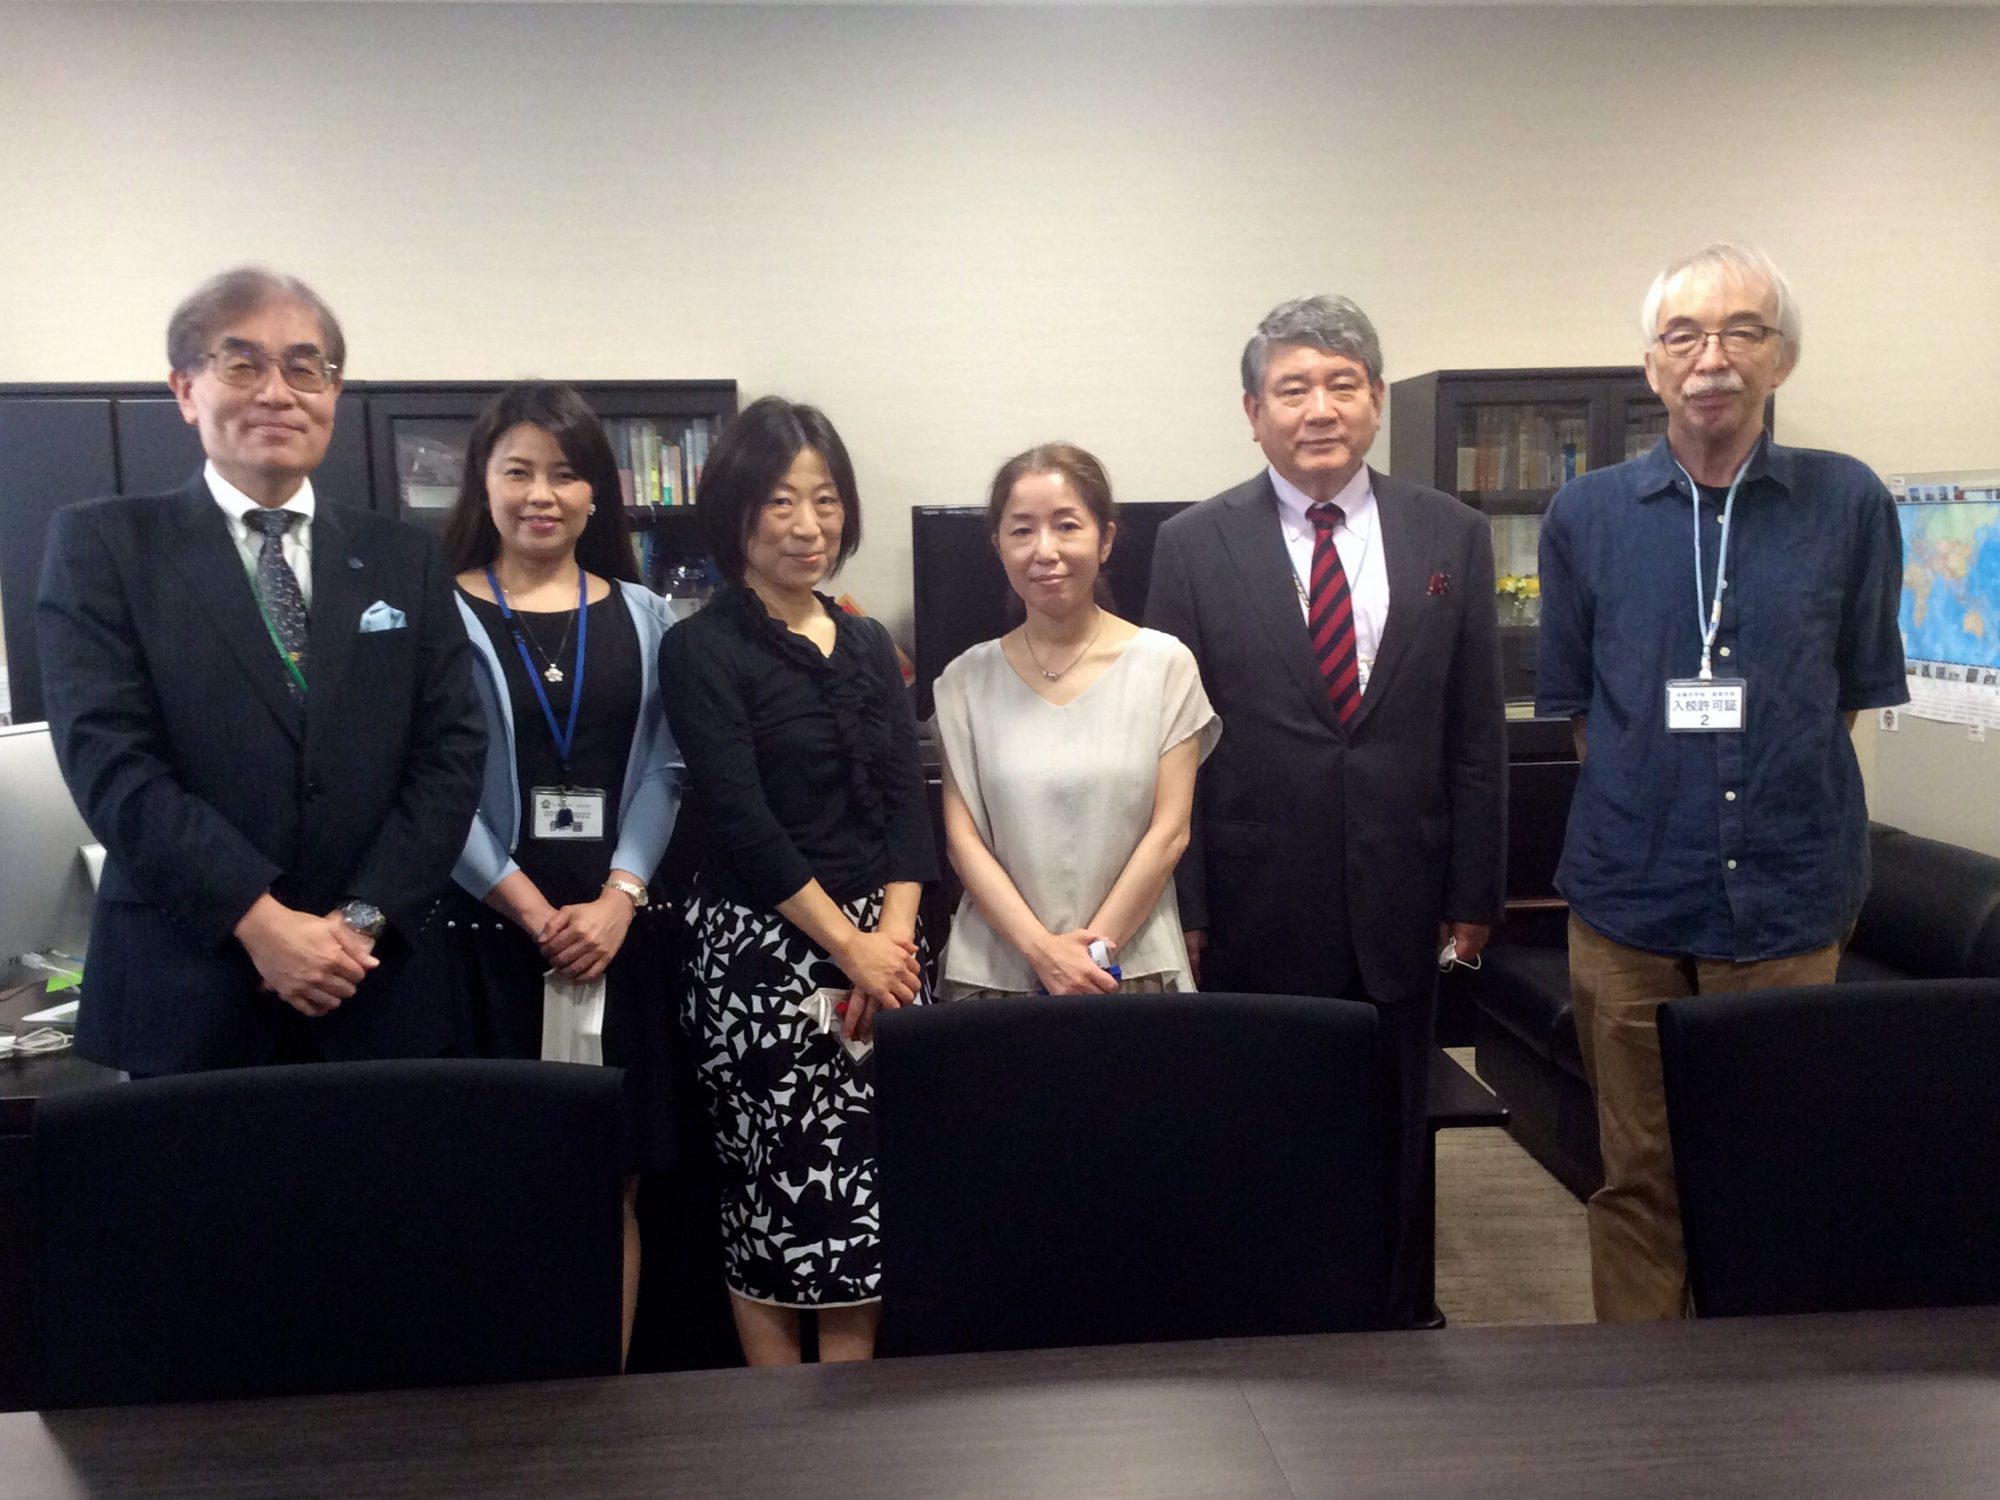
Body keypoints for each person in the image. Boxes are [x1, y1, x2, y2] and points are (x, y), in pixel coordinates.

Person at [1536, 243, 1908, 1321]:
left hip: (1789, 898)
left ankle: (1763, 1392)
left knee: (1773, 1170)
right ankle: (1646, 1389)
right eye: (1683, 336)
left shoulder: (1846, 502)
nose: (1712, 358)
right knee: (1637, 1177)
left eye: (1742, 331)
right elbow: (1582, 711)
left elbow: (1845, 694)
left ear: (1780, 357)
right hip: (1628, 900)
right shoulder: (1586, 516)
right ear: (1651, 366)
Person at [1145, 294, 1507, 1325]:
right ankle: (1268, 1320)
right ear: (1252, 411)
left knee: (1396, 1128)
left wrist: (1474, 891)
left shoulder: (1451, 533)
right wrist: (1187, 902)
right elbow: (1170, 743)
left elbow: (1473, 730)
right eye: (1293, 388)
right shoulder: (1190, 544)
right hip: (1252, 901)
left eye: (1342, 385)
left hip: (1404, 892)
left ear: (1376, 399)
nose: (1319, 409)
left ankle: (1398, 1319)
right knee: (1262, 1126)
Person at [37, 266, 484, 1076]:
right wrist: (260, 922)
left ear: (333, 392)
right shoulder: (106, 547)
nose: (278, 392)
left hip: (374, 987)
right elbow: (110, 760)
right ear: (186, 389)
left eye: (305, 367)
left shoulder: (404, 557)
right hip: (189, 989)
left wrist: (356, 925)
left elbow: (451, 755)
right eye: (242, 364)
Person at [660, 395, 935, 1366]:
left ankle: (851, 1421)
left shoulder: (866, 642)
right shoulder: (699, 648)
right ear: (735, 510)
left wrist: (890, 942)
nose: (807, 524)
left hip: (886, 958)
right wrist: (850, 946)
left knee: (869, 1196)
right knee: (773, 1196)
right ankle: (777, 1431)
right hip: (762, 960)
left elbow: (905, 807)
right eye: (780, 501)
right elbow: (742, 822)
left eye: (825, 500)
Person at [438, 381, 681, 1364]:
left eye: (566, 473)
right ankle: (512, 1411)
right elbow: (427, 780)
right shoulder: (433, 612)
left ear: (596, 495)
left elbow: (669, 765)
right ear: (483, 483)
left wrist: (619, 897)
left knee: (615, 1178)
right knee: (494, 1181)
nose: (542, 494)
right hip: (482, 940)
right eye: (519, 471)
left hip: (619, 939)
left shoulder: (647, 614)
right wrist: (529, 906)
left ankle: (604, 1401)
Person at [935, 443, 1219, 999]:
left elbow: (1170, 833)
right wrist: (1043, 953)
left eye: (1066, 526)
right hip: (998, 974)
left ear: (1105, 539)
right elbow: (962, 841)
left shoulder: (1165, 665)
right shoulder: (963, 682)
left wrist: (1088, 961)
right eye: (1022, 531)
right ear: (998, 546)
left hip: (1129, 971)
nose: (1045, 551)